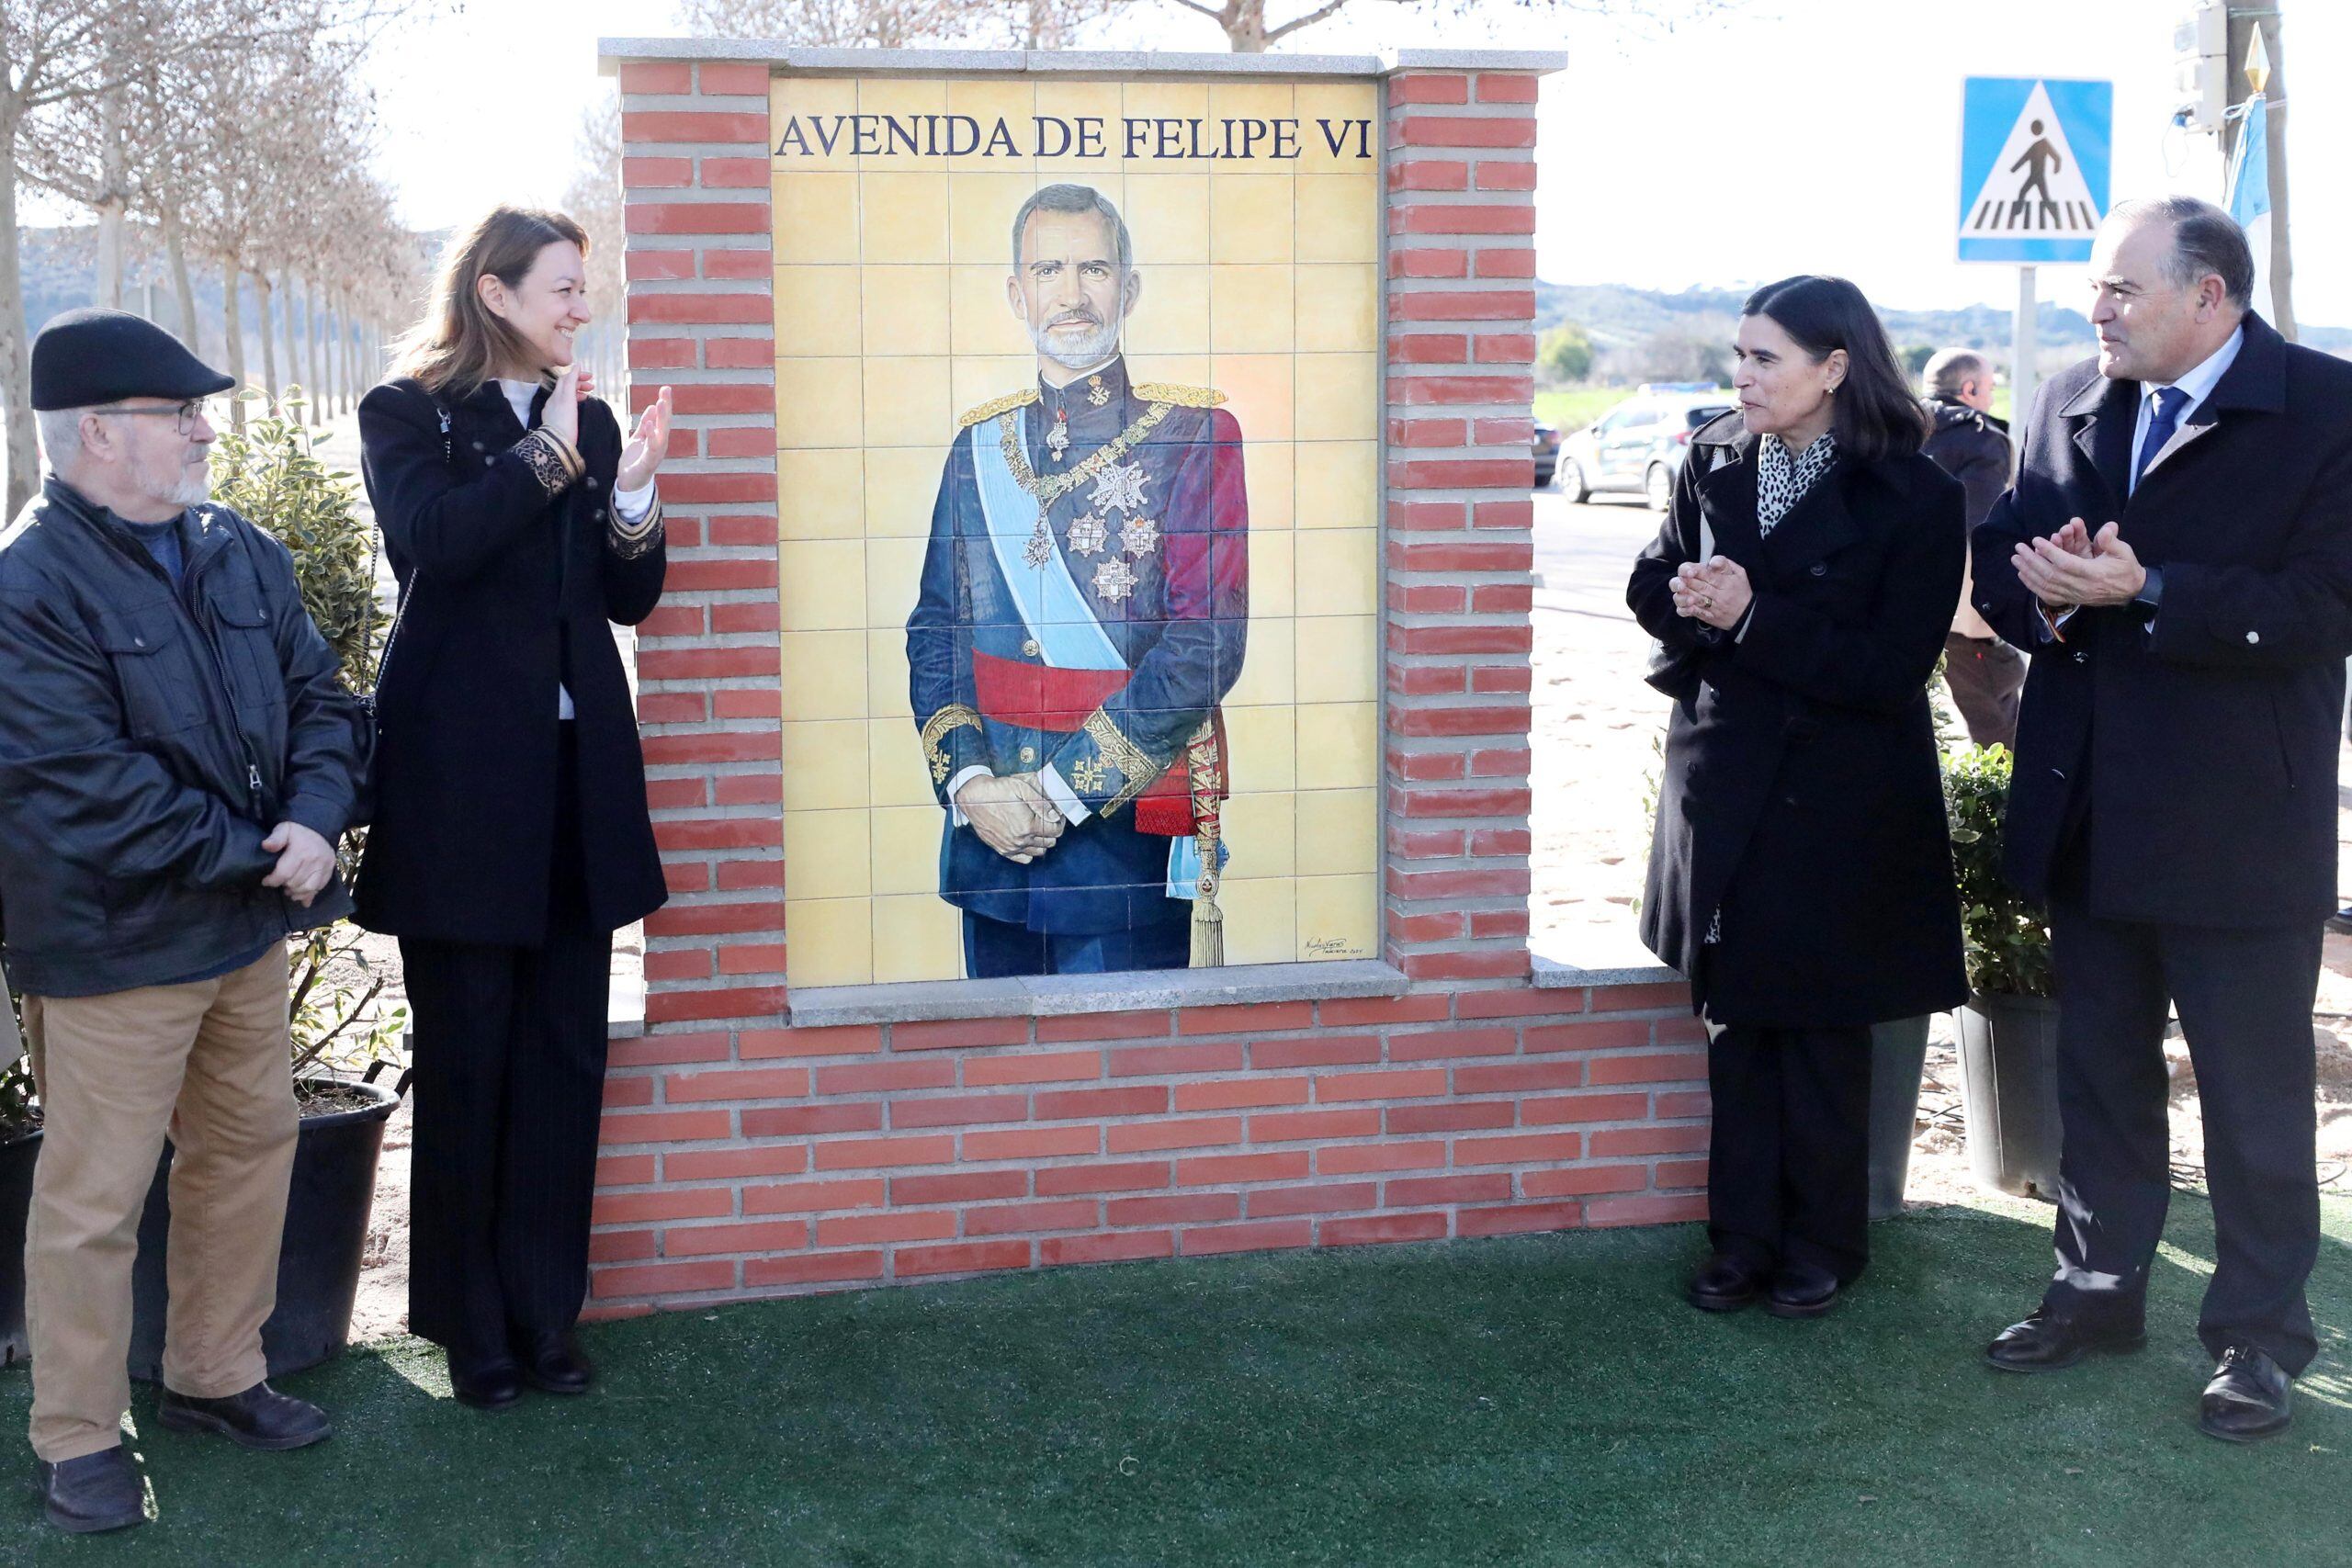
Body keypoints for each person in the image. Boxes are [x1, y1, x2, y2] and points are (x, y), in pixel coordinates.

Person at [1970, 197, 2352, 1443]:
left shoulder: (2328, 405)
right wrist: (2055, 600)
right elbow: (2003, 558)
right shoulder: (2073, 392)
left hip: (2241, 819)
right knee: (2096, 1071)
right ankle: (2095, 1284)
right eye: (2096, 287)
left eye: (2124, 288)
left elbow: (2324, 604)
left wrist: (2153, 591)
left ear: (2212, 295)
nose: (2099, 309)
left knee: (2252, 1097)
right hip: (2088, 802)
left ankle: (2257, 1336)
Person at [0, 310, 366, 1532]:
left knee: (249, 1146)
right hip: (112, 947)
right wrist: (261, 862)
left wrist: (316, 818)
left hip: (240, 932)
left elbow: (323, 697)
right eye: (180, 412)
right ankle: (79, 1436)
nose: (208, 428)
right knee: (94, 1195)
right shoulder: (28, 583)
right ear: (101, 432)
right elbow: (79, 782)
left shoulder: (237, 550)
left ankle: (216, 1372)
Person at [356, 207, 673, 1411]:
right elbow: (434, 540)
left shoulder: (589, 420)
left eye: (585, 287)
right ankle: (467, 1320)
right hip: (458, 799)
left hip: (573, 792)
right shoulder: (409, 414)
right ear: (494, 294)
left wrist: (628, 490)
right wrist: (544, 456)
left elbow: (627, 595)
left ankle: (548, 1313)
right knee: (472, 1055)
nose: (581, 305)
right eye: (562, 286)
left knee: (562, 1055)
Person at [1628, 276, 1967, 1321]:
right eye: (1739, 354)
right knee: (1736, 1023)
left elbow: (1890, 667)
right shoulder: (1711, 454)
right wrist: (1686, 600)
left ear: (1834, 368)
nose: (1743, 375)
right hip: (1726, 779)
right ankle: (1739, 1241)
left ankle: (1824, 1244)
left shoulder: (1915, 494)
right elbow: (1650, 582)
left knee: (1822, 1028)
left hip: (1842, 799)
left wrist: (1750, 618)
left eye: (1764, 357)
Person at [906, 182, 1248, 978]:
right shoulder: (978, 446)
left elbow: (1207, 643)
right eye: (1049, 270)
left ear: (1128, 289)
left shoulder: (1195, 434)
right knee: (999, 1091)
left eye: (1094, 270)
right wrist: (972, 783)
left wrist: (1059, 793)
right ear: (1016, 291)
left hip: (1117, 849)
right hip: (988, 844)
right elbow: (937, 628)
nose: (1071, 294)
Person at [1919, 348, 2025, 749]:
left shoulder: (1897, 429)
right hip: (1963, 614)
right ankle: (2001, 808)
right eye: (1989, 387)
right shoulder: (1982, 440)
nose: (1992, 395)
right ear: (1969, 389)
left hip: (1895, 600)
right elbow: (1982, 527)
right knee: (2001, 733)